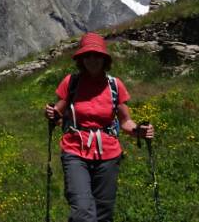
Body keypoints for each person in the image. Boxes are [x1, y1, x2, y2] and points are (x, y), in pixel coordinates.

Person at [43, 32, 155, 222]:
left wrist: (139, 131)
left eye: (97, 55)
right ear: (81, 59)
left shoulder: (115, 85)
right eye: (88, 55)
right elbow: (57, 112)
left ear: (104, 59)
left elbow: (125, 120)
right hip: (75, 151)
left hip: (109, 155)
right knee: (82, 211)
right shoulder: (71, 83)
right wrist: (51, 113)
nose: (92, 60)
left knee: (104, 213)